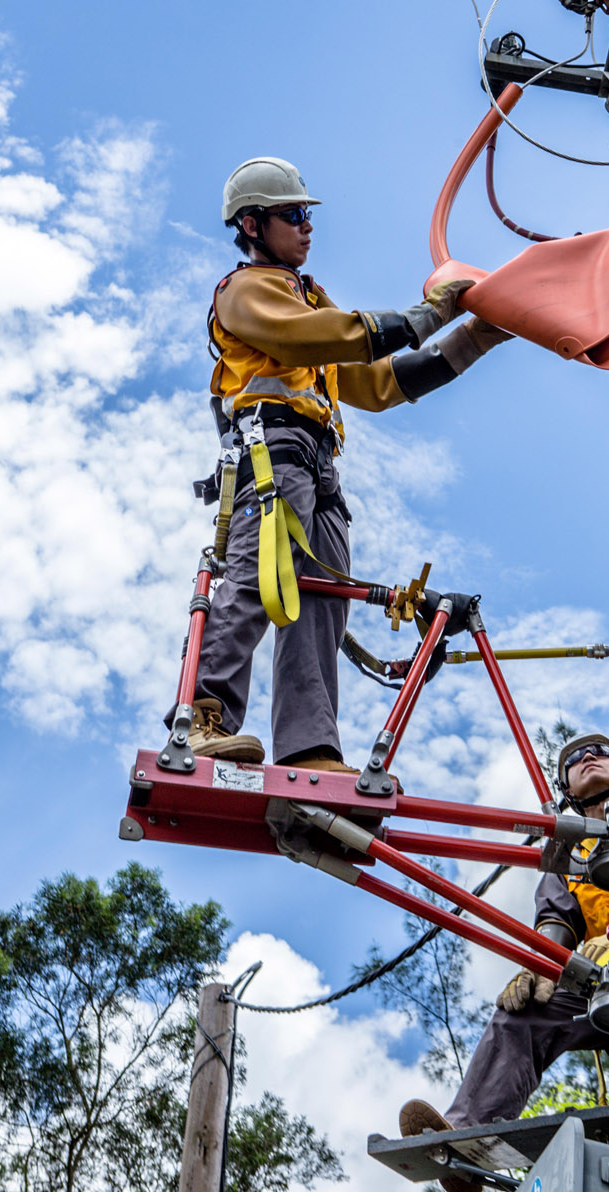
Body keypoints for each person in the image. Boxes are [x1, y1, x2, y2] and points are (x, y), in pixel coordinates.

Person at [166, 155, 509, 770]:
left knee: (323, 601)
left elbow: (378, 384)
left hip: (319, 465)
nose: (307, 226)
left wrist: (474, 335)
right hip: (272, 454)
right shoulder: (246, 291)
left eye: (307, 215)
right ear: (250, 225)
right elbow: (317, 335)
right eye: (293, 215)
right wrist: (424, 314)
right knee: (258, 575)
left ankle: (310, 746)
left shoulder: (308, 302)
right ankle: (202, 717)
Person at [398, 736, 609, 1192]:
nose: (586, 757)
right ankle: (465, 1144)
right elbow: (557, 921)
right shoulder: (571, 859)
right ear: (568, 791)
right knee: (522, 1014)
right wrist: (541, 968)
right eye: (573, 759)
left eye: (600, 752)